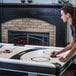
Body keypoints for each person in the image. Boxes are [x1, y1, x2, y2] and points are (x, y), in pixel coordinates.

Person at [51, 4, 76, 76]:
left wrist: (66, 58)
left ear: (67, 14)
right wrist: (58, 52)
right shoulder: (72, 25)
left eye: (62, 15)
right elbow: (72, 43)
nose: (61, 17)